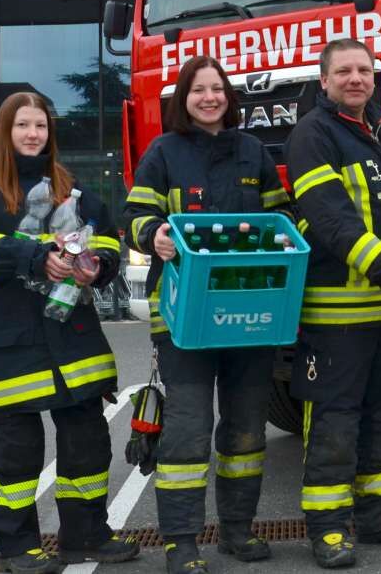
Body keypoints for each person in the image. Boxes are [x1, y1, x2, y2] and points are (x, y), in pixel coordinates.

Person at [0, 92, 139, 574]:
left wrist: (98, 266)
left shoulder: (72, 191)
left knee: (88, 443)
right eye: (23, 125)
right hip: (12, 345)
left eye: (41, 126)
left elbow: (108, 241)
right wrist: (34, 257)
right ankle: (14, 548)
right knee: (16, 450)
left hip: (74, 340)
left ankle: (85, 535)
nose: (33, 134)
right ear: (3, 132)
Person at [122, 56, 291, 574]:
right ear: (183, 98)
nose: (210, 97)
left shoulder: (252, 151)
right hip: (184, 321)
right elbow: (132, 215)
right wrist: (154, 235)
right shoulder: (163, 153)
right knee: (188, 431)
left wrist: (286, 234)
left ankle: (237, 532)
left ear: (229, 97)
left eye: (217, 89)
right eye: (199, 90)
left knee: (244, 432)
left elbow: (280, 217)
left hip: (248, 313)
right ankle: (182, 541)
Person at [282, 38, 381, 570]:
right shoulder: (313, 135)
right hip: (336, 316)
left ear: (374, 77)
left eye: (363, 70)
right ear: (323, 82)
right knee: (334, 425)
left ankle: (380, 515)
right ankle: (326, 527)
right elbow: (330, 218)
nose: (355, 79)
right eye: (343, 71)